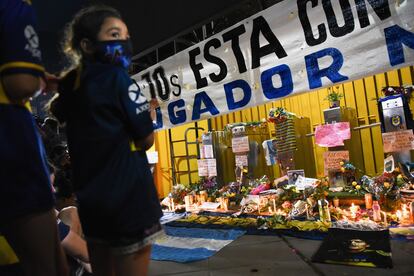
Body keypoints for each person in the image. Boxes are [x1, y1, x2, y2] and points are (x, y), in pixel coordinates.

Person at [50, 5, 163, 276]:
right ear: (87, 44)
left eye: (125, 35)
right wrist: (149, 113)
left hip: (92, 204)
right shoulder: (119, 80)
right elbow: (146, 139)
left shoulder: (71, 87)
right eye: (114, 35)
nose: (123, 42)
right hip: (130, 200)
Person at [0, 1, 68, 275]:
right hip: (9, 136)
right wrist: (34, 79)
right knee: (43, 265)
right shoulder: (15, 4)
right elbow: (20, 84)